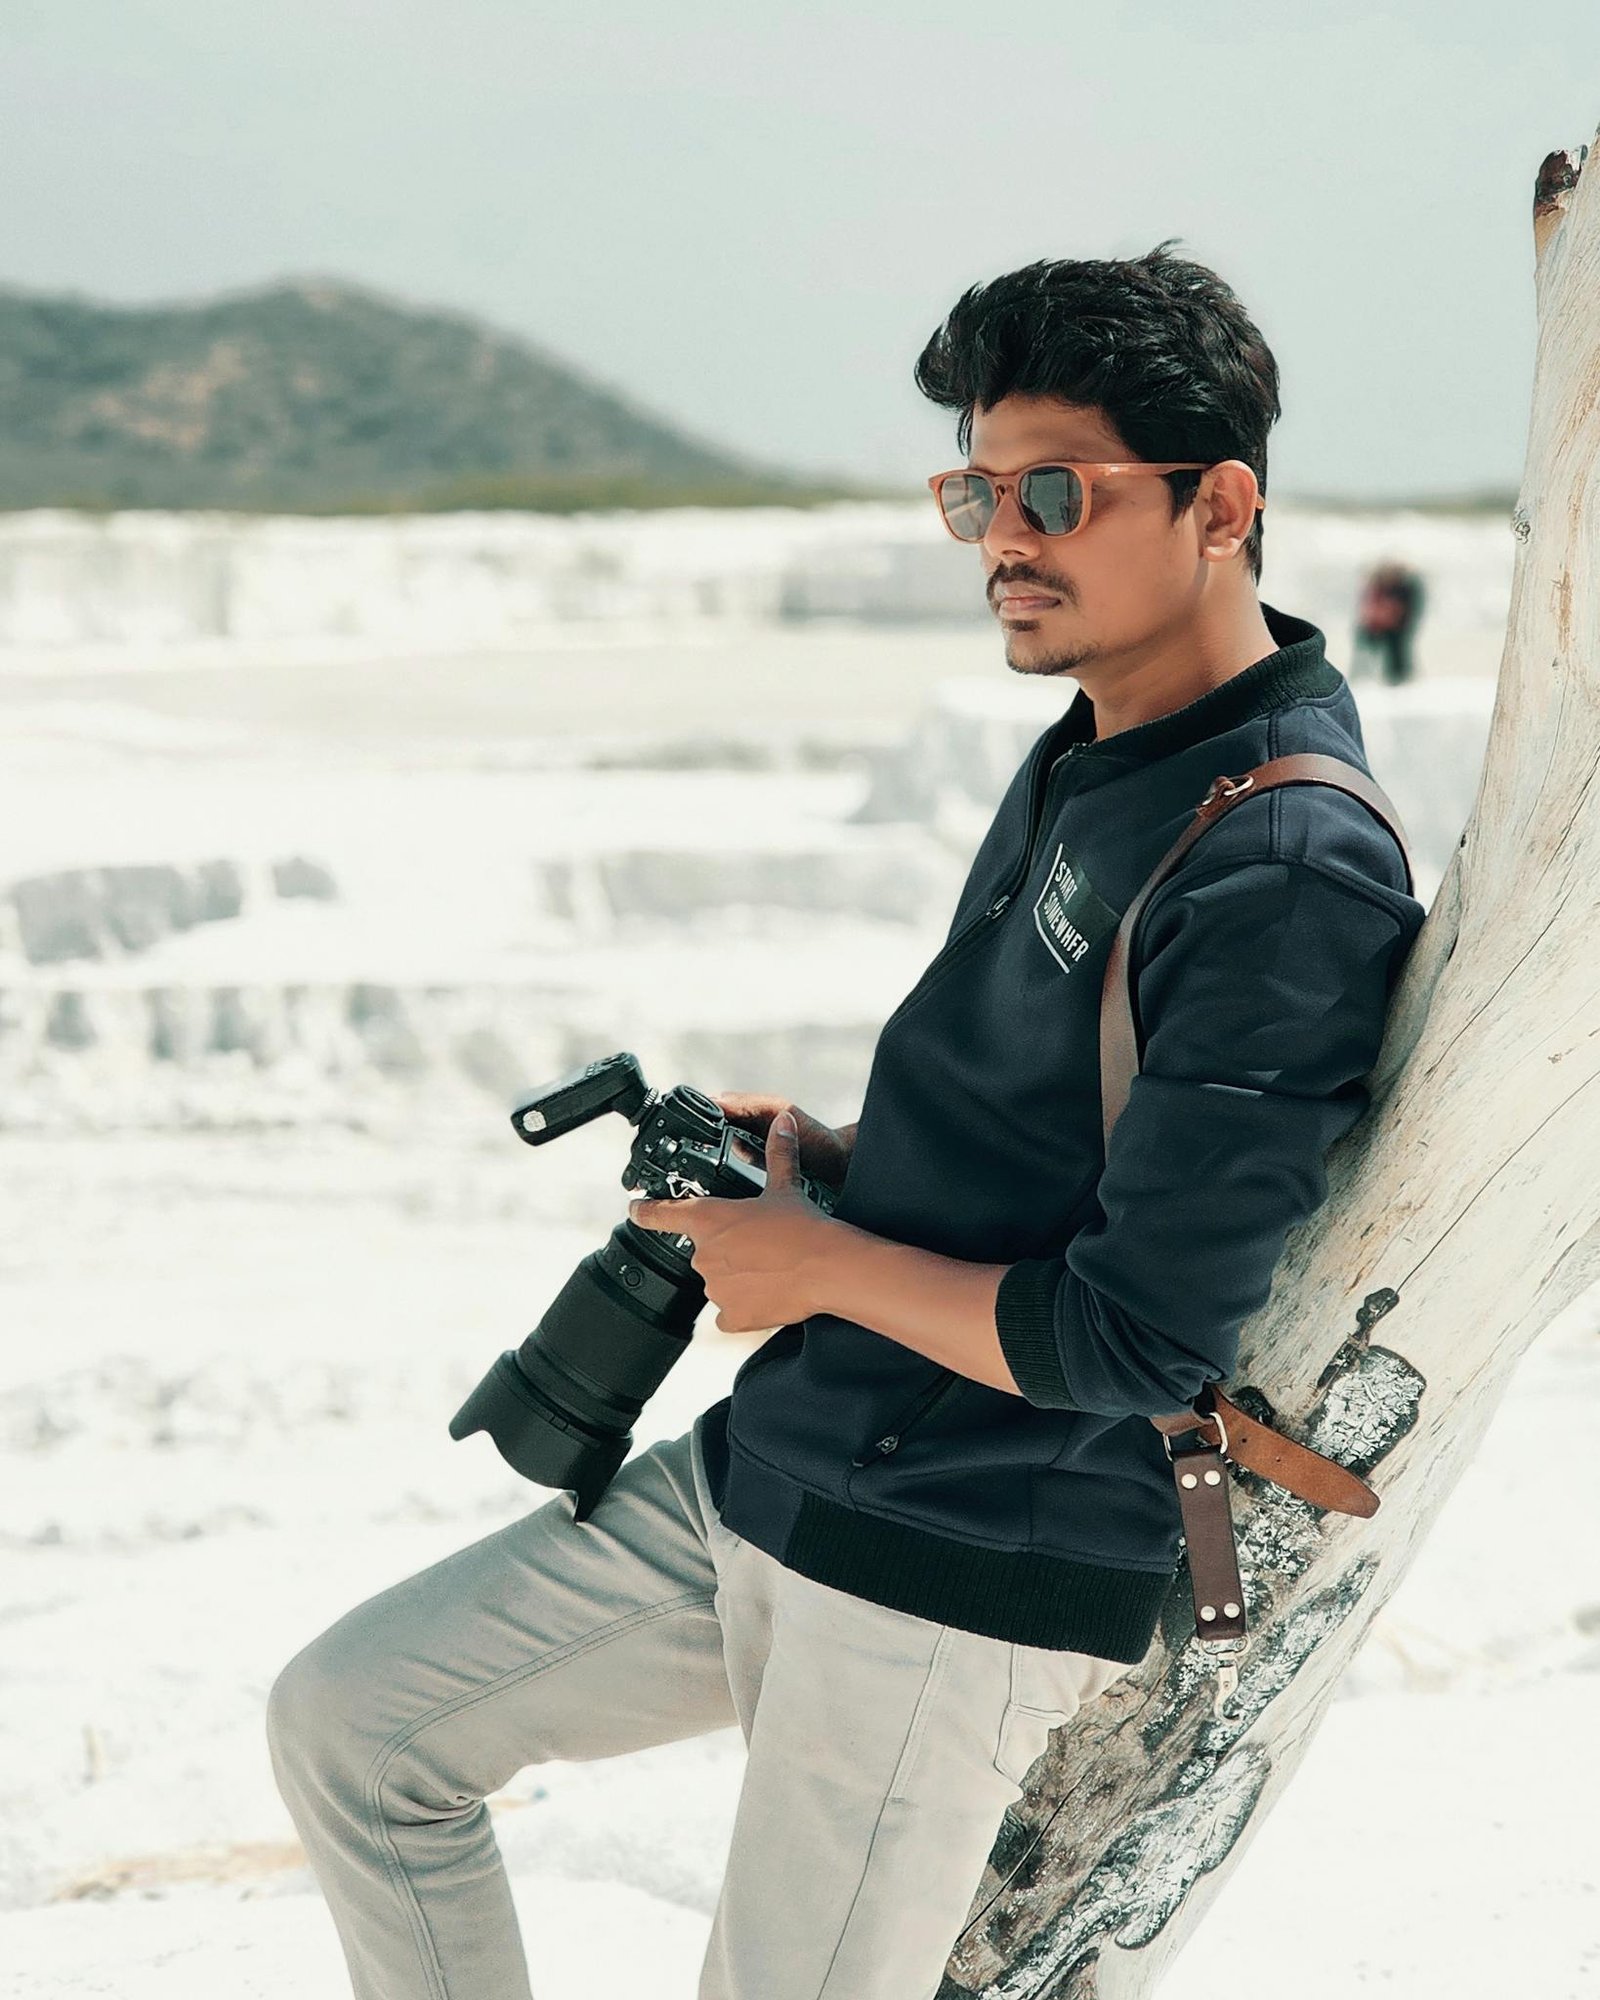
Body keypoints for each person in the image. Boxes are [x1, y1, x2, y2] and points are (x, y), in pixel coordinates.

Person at [266, 240, 1427, 2000]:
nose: (1004, 538)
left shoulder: (1282, 862)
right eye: (976, 490)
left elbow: (1131, 1334)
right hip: (790, 1463)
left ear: (1222, 504)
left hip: (963, 1560)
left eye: (1054, 488)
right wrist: (834, 1170)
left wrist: (807, 1259)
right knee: (356, 1727)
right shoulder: (1100, 743)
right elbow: (1041, 1154)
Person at [1352, 560, 1426, 683]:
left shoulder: (1400, 589)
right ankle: (1365, 677)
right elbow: (1370, 606)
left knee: (1397, 655)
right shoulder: (1379, 588)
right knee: (1369, 654)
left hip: (1393, 625)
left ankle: (1398, 679)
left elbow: (1403, 608)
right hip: (1379, 624)